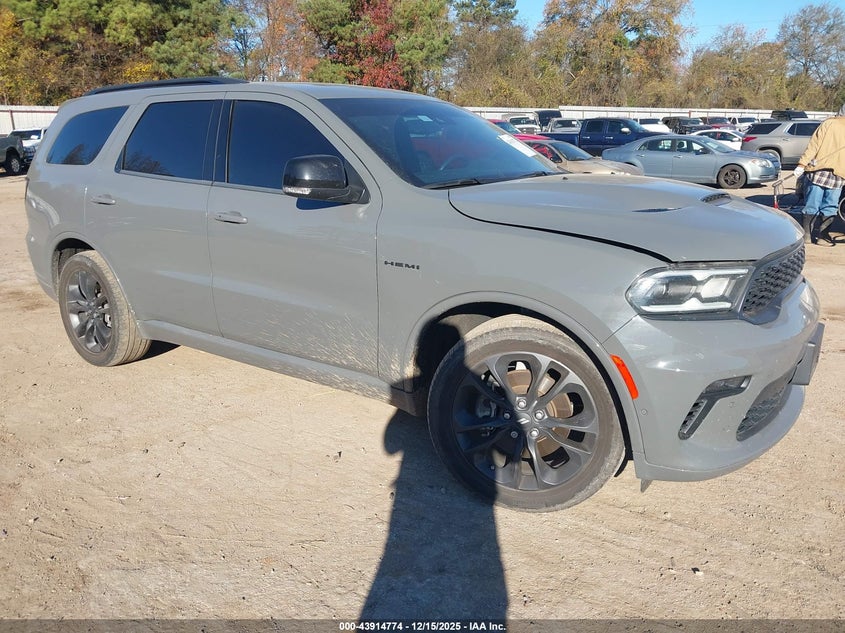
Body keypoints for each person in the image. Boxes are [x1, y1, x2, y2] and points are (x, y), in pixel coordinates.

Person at [794, 104, 845, 246]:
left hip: (818, 171)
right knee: (830, 206)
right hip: (839, 174)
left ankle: (807, 236)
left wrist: (802, 164)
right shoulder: (830, 123)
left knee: (812, 204)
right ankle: (823, 236)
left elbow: (813, 145)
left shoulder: (828, 123)